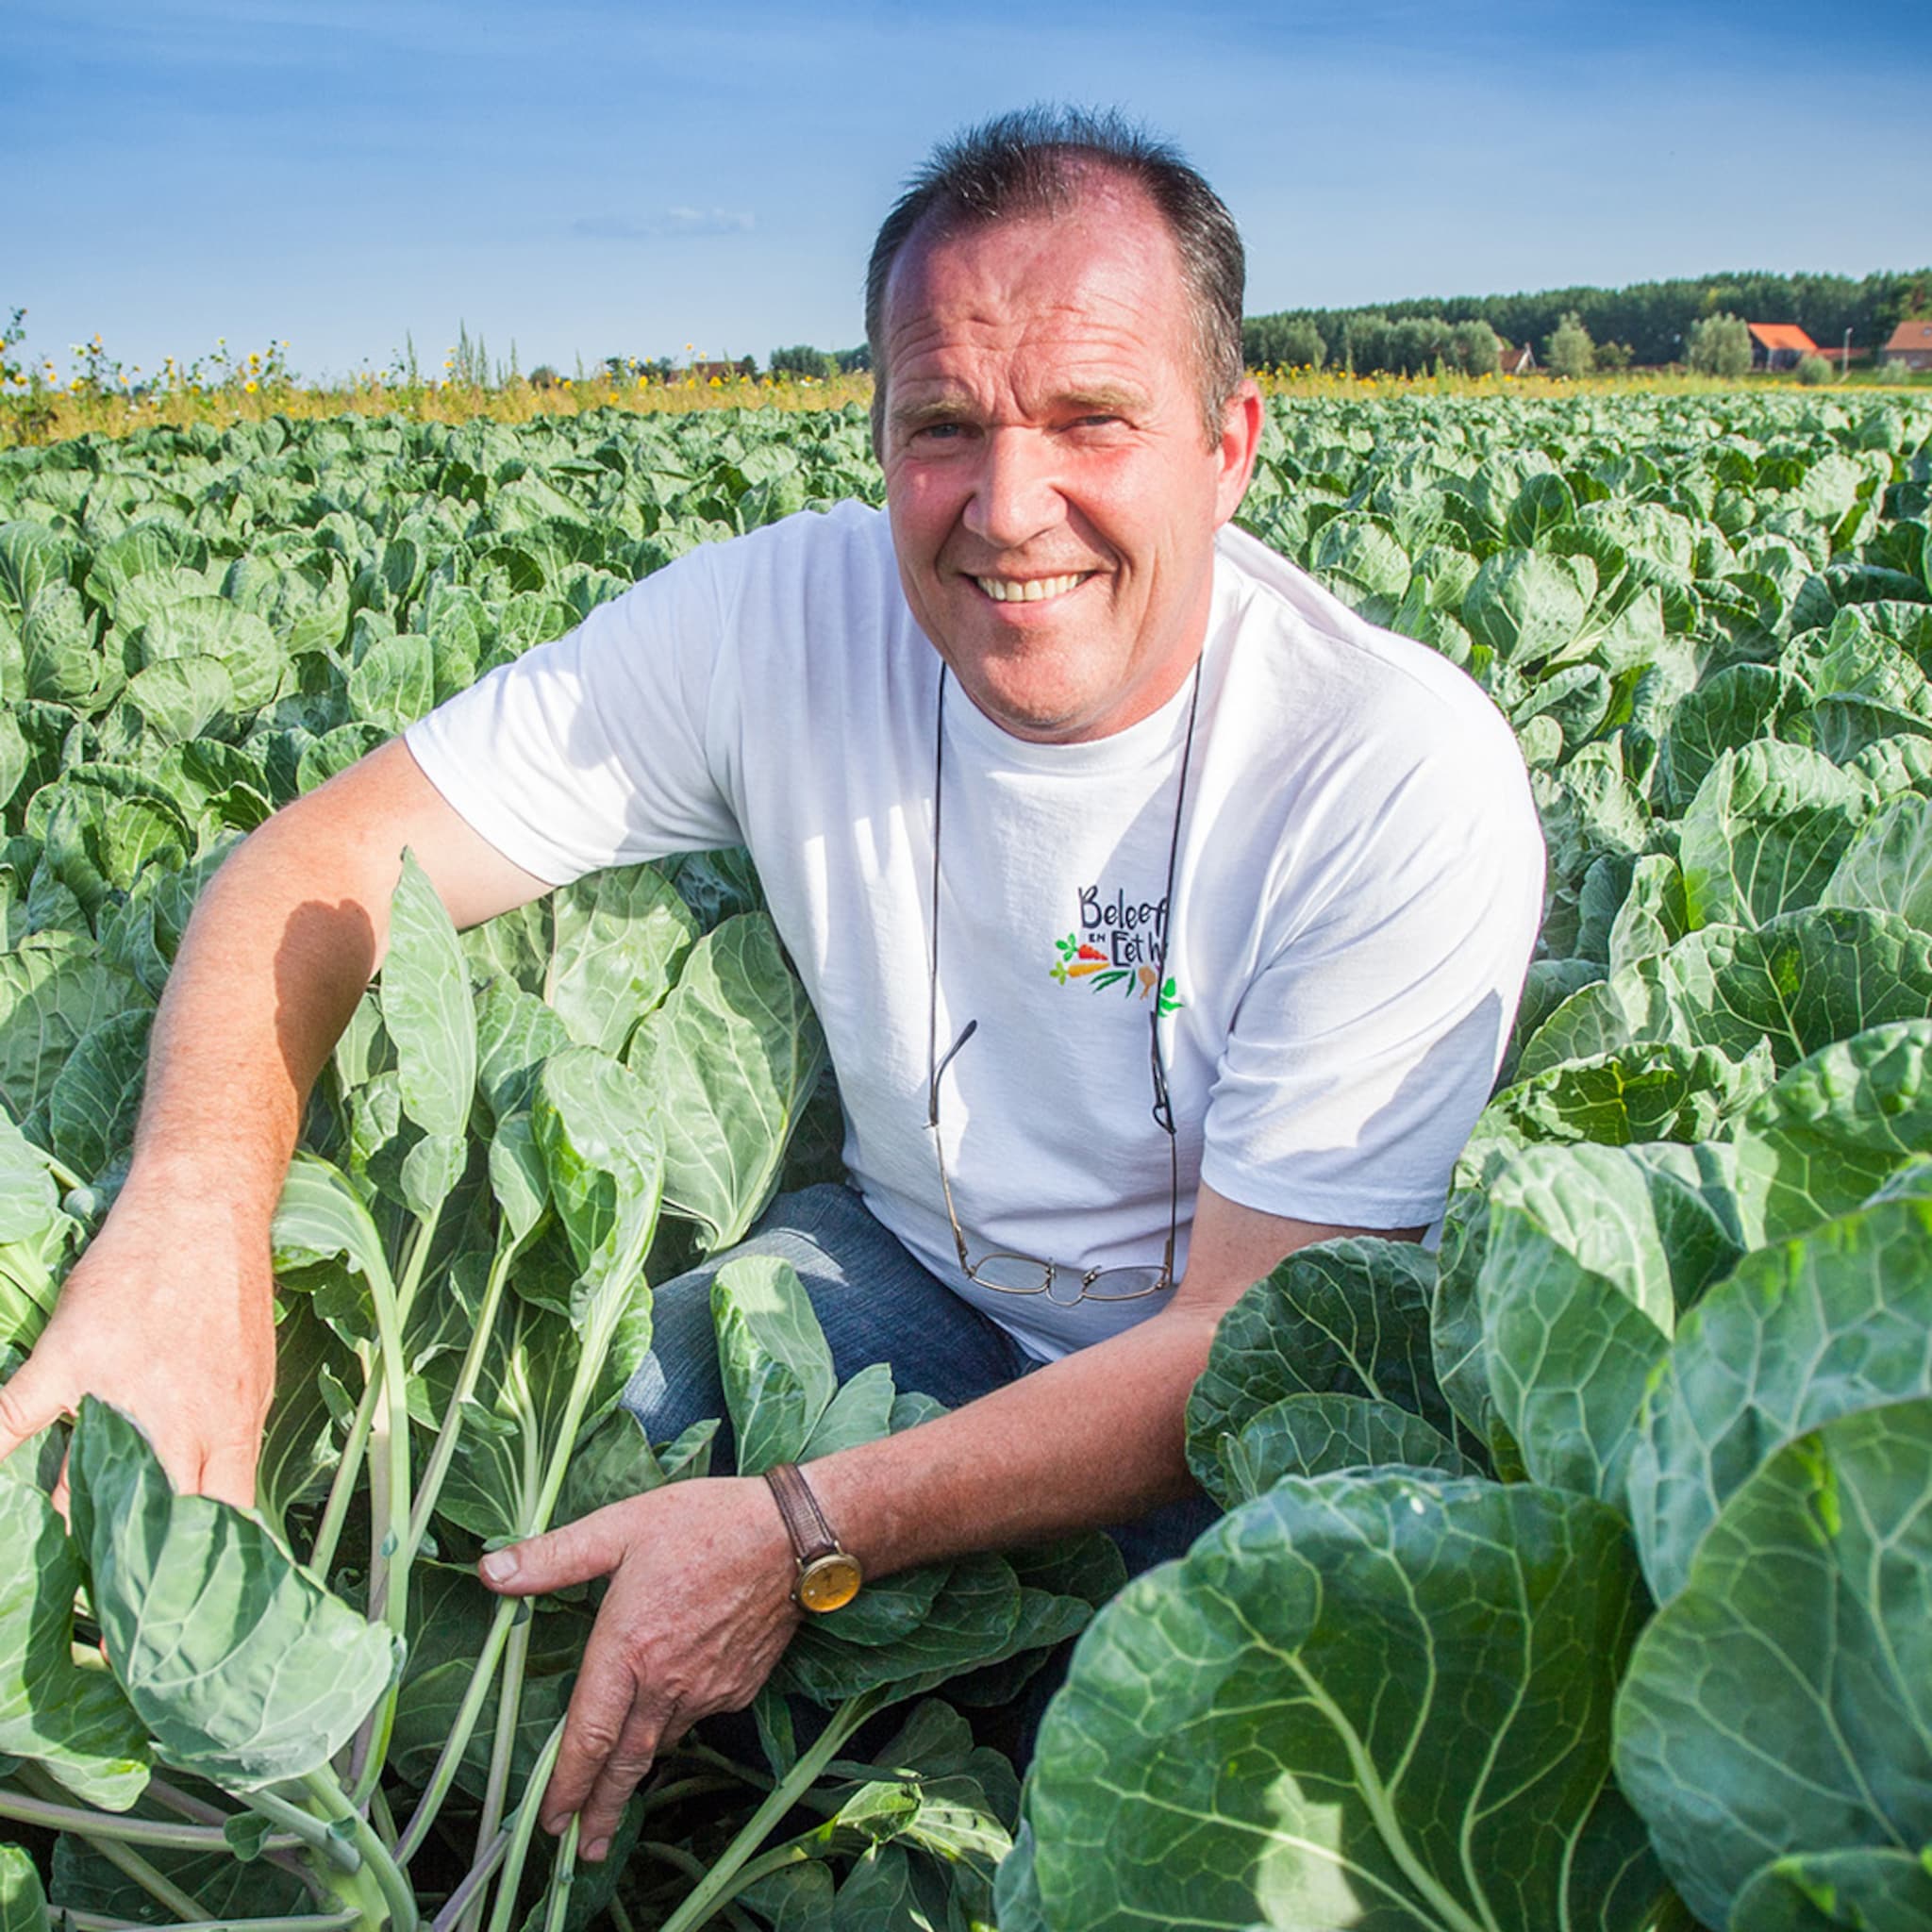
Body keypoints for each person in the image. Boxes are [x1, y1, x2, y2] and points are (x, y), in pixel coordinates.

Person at [0, 108, 1543, 1860]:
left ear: (1230, 444)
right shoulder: (772, 623)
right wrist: (189, 1223)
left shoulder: (1390, 769)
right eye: (942, 427)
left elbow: (1237, 1358)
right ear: (880, 434)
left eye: (1092, 419)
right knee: (492, 1540)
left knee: (1201, 1825)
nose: (1008, 502)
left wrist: (804, 1524)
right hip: (898, 1277)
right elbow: (318, 864)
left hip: (1208, 1425)